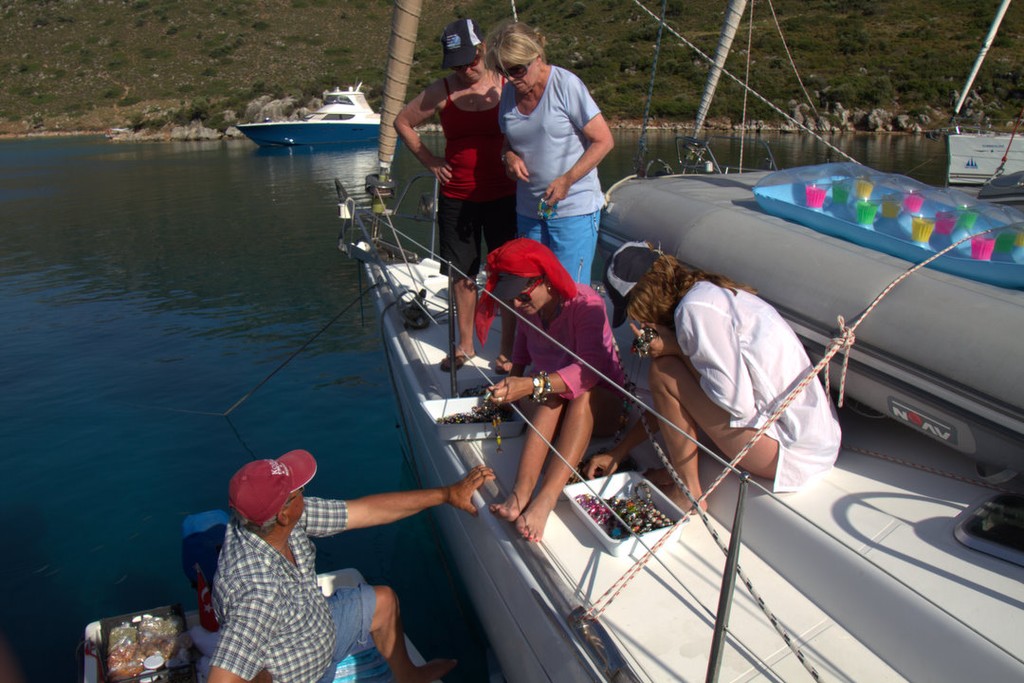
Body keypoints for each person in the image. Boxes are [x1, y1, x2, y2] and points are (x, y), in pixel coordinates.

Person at [208, 449, 495, 683]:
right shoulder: (258, 594)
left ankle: (410, 676)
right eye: (299, 491)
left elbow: (365, 511)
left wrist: (446, 494)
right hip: (299, 673)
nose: (304, 491)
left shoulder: (269, 520)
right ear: (282, 514)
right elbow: (222, 679)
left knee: (383, 601)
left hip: (314, 625)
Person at [595, 241, 841, 510]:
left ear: (642, 300)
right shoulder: (706, 293)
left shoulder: (693, 312)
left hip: (790, 454)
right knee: (672, 371)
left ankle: (688, 492)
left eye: (634, 313)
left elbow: (735, 403)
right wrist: (618, 452)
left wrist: (675, 351)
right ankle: (677, 471)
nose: (640, 322)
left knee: (663, 372)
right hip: (813, 442)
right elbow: (686, 399)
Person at [475, 238, 625, 542]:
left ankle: (545, 499)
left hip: (601, 407)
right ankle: (519, 494)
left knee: (571, 391)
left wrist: (529, 384)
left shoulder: (587, 304)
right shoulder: (529, 307)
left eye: (522, 296)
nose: (516, 304)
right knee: (550, 392)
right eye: (511, 299)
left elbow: (588, 370)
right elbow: (521, 350)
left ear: (547, 280)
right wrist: (510, 386)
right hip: (554, 407)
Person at [394, 18, 518, 374]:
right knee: (462, 275)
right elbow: (402, 121)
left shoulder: (507, 83)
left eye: (470, 59)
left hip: (505, 195)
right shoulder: (443, 90)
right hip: (458, 197)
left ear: (482, 49)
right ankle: (464, 345)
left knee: (507, 273)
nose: (465, 69)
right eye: (457, 64)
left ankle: (507, 350)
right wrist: (430, 160)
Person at [484, 20, 614, 284]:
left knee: (569, 292)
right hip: (529, 211)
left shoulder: (565, 85)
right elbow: (508, 141)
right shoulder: (508, 93)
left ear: (537, 57)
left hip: (573, 208)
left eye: (517, 69)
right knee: (531, 289)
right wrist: (508, 157)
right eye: (503, 71)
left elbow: (603, 140)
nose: (511, 78)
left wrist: (567, 180)